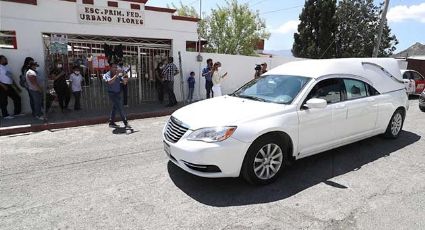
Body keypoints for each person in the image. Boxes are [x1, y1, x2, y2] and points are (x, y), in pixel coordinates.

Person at [103, 62, 130, 128]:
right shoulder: (107, 74)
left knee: (115, 108)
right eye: (114, 67)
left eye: (116, 67)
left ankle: (111, 122)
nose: (115, 69)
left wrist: (125, 78)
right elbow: (109, 82)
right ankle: (125, 122)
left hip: (118, 93)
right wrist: (116, 75)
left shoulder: (117, 75)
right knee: (120, 107)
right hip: (112, 94)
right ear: (110, 68)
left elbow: (124, 83)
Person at [0, 55, 22, 119]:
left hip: (10, 85)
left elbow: (10, 77)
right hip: (2, 86)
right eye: (5, 59)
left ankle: (17, 113)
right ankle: (5, 115)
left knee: (17, 97)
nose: (6, 60)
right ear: (0, 60)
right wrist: (3, 85)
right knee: (3, 101)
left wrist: (16, 86)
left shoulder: (7, 67)